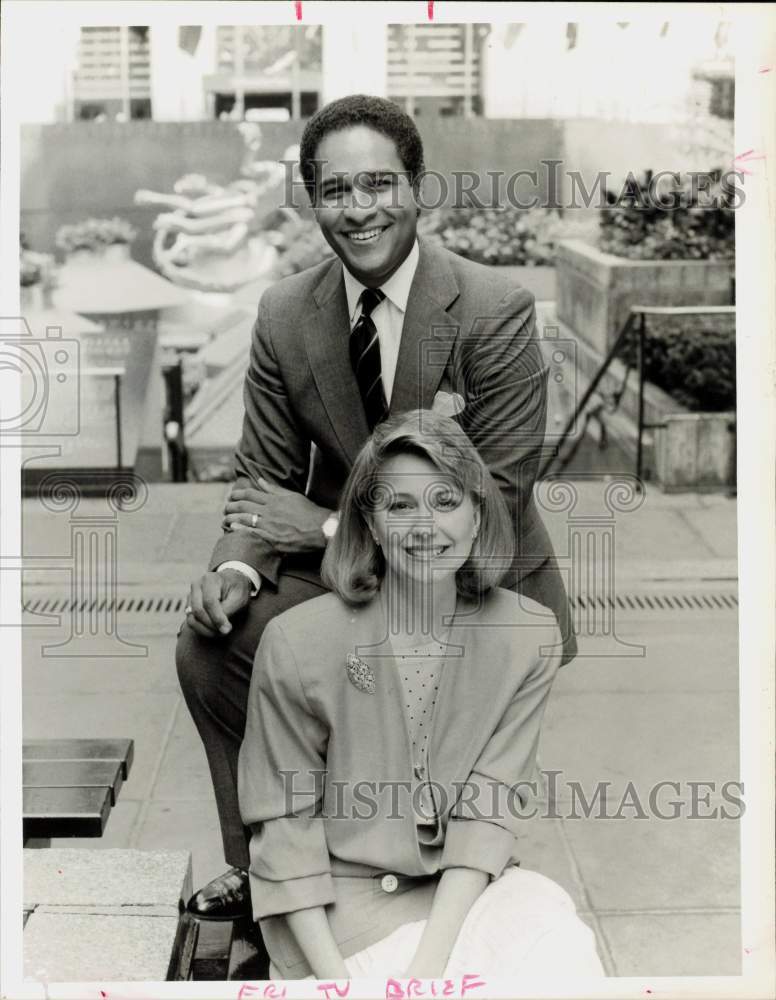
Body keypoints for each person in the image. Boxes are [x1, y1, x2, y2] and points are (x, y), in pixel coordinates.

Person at [177, 94, 576, 920]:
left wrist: (320, 526)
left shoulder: (492, 310)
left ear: (418, 189)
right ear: (312, 199)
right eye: (334, 190)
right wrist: (239, 565)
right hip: (354, 571)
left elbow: (491, 505)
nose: (358, 210)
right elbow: (262, 476)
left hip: (474, 580)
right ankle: (271, 873)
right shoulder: (288, 312)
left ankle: (422, 869)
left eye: (378, 185)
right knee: (213, 646)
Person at [237, 410, 602, 979]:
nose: (425, 526)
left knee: (563, 952)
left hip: (460, 899)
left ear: (478, 514)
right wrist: (338, 984)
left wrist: (429, 971)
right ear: (371, 526)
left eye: (446, 500)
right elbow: (285, 831)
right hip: (335, 916)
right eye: (399, 506)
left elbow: (488, 813)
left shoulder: (527, 636)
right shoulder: (297, 642)